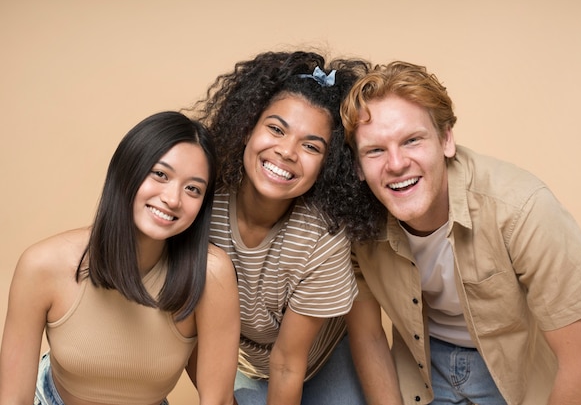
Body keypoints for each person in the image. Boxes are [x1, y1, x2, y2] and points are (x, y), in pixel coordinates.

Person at [340, 61, 581, 405]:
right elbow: (369, 338)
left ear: (446, 140)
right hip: (421, 365)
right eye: (375, 150)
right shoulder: (357, 223)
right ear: (358, 167)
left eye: (412, 140)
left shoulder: (522, 208)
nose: (395, 164)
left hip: (513, 370)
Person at [0, 111, 240, 405]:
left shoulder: (212, 274)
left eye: (193, 189)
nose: (173, 199)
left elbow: (218, 401)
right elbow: (13, 399)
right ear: (126, 171)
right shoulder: (43, 265)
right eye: (160, 175)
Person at [189, 50, 370, 405]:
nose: (287, 152)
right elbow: (187, 335)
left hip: (319, 359)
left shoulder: (322, 236)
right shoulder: (201, 203)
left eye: (311, 146)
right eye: (276, 129)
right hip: (237, 359)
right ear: (246, 130)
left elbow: (288, 363)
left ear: (327, 166)